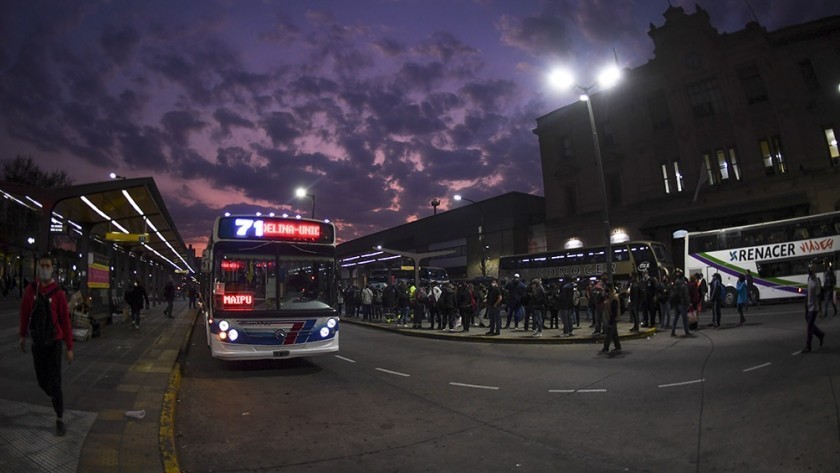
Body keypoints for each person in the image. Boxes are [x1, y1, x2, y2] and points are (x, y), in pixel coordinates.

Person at [18, 253, 74, 437]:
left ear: (52, 268)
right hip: (38, 342)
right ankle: (53, 395)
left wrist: (69, 347)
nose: (44, 268)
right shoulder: (31, 290)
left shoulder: (58, 293)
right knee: (42, 380)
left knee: (55, 381)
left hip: (54, 343)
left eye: (47, 265)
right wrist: (22, 336)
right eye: (42, 265)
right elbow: (25, 312)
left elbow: (65, 320)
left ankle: (59, 417)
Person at [803, 263, 825, 353]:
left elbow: (819, 297)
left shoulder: (816, 282)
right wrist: (805, 303)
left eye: (810, 270)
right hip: (808, 306)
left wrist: (820, 311)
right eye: (808, 269)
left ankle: (808, 346)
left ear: (813, 271)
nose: (808, 271)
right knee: (809, 324)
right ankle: (820, 334)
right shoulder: (809, 279)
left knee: (809, 327)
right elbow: (808, 292)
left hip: (814, 308)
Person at [600, 283, 621, 354]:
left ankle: (606, 348)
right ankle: (618, 347)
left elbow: (614, 311)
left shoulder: (614, 298)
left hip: (612, 319)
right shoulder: (609, 297)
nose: (604, 289)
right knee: (614, 334)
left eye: (606, 288)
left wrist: (611, 322)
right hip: (610, 318)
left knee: (609, 334)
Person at [670, 270, 692, 337]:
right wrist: (688, 304)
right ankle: (687, 331)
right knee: (685, 319)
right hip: (682, 303)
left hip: (676, 303)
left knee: (675, 318)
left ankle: (672, 331)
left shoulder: (675, 284)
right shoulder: (683, 285)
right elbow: (686, 295)